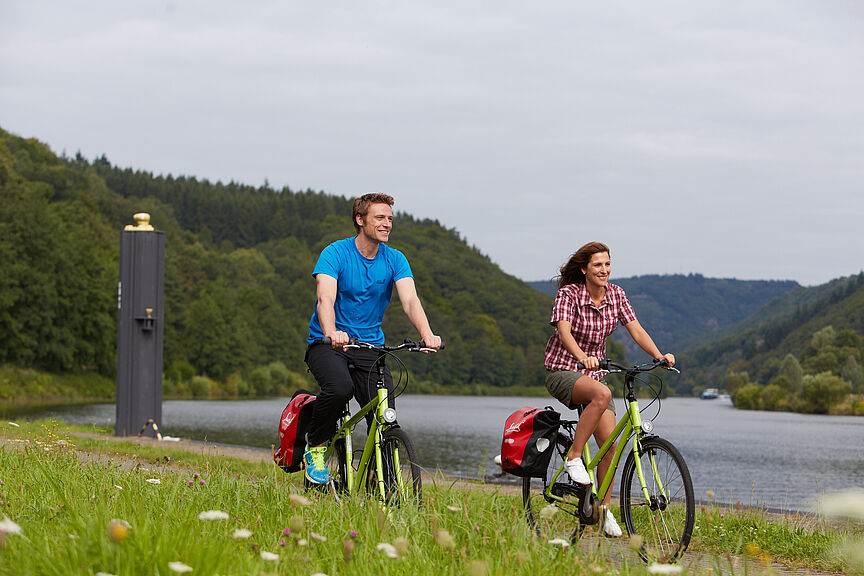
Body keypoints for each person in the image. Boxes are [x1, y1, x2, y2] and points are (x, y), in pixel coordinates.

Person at [303, 193, 442, 484]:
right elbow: (325, 298)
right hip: (328, 344)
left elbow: (410, 301)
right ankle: (315, 447)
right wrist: (331, 332)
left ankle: (384, 483)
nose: (387, 223)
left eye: (390, 218)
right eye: (380, 217)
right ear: (360, 220)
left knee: (385, 414)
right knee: (339, 389)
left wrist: (427, 334)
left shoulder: (395, 259)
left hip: (370, 347)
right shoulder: (335, 253)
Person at [543, 242, 675, 537]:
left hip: (595, 373)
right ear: (584, 269)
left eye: (607, 264)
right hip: (562, 369)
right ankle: (574, 457)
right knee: (601, 394)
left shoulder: (616, 295)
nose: (604, 270)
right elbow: (563, 331)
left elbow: (636, 329)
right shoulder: (569, 294)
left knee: (610, 446)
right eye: (597, 265)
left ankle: (603, 510)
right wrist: (581, 357)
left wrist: (659, 356)